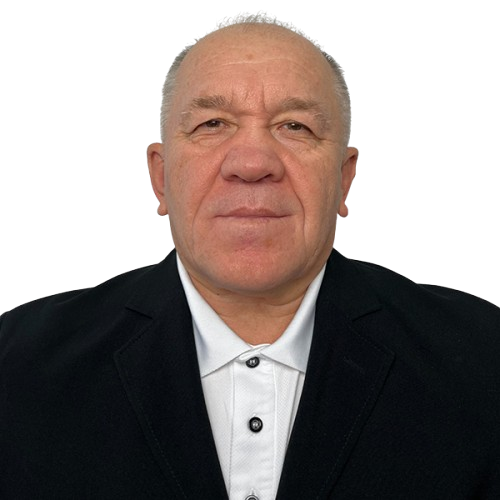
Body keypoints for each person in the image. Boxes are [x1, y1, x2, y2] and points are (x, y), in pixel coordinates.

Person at [1, 11, 499, 500]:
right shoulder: (16, 363)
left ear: (345, 178)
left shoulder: (484, 358)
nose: (253, 163)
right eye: (213, 123)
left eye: (295, 126)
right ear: (160, 176)